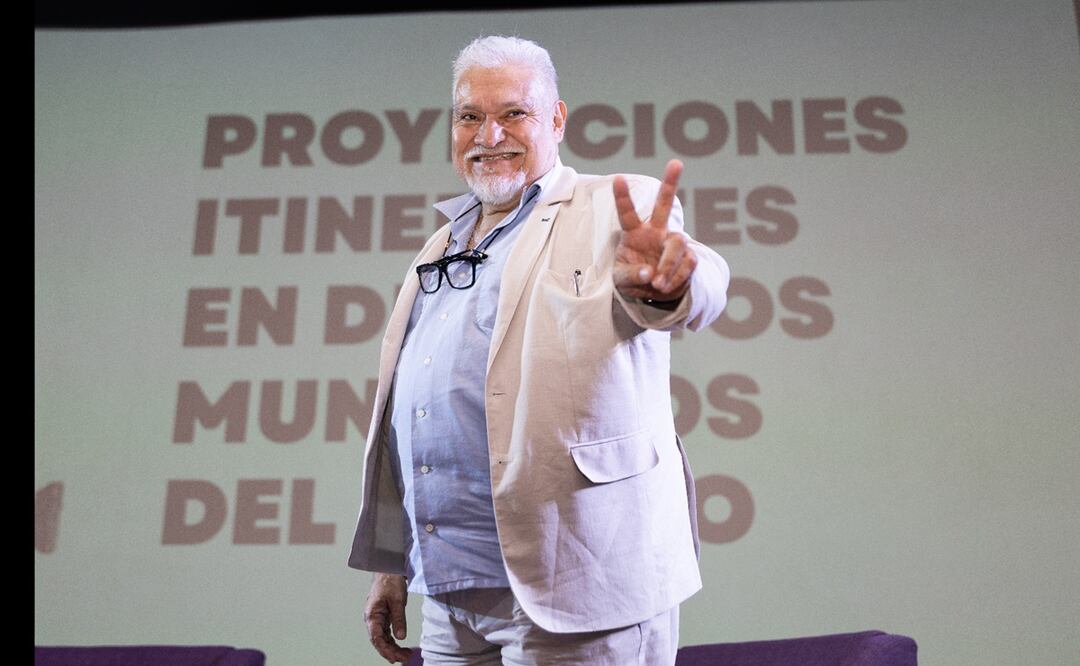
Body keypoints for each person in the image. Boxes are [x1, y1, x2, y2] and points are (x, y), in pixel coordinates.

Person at [348, 35, 730, 665]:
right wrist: (395, 563)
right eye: (470, 115)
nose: (488, 133)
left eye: (513, 113)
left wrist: (673, 283)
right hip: (450, 597)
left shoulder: (611, 206)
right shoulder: (441, 245)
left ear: (556, 119)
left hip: (581, 589)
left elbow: (698, 283)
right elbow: (413, 413)